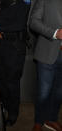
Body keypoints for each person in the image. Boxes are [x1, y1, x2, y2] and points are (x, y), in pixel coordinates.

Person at [0, 0, 30, 126]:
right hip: (0, 49)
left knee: (12, 83)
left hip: (15, 51)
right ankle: (3, 108)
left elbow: (19, 26)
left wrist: (0, 30)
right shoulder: (1, 3)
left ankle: (13, 113)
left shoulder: (22, 5)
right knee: (1, 80)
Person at [29, 0, 62, 130]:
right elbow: (33, 22)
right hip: (47, 52)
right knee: (44, 92)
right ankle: (39, 121)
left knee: (59, 92)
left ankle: (52, 119)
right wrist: (55, 33)